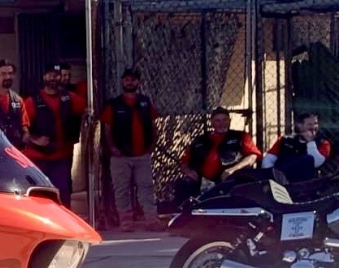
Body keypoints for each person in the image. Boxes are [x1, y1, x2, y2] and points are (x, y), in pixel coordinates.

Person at [100, 67, 162, 231]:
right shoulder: (114, 105)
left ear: (138, 82)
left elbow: (154, 125)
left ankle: (151, 219)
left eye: (133, 79)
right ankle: (126, 221)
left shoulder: (145, 102)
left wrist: (152, 146)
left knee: (146, 187)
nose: (130, 82)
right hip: (120, 156)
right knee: (122, 189)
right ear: (122, 81)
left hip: (142, 155)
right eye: (127, 79)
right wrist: (112, 148)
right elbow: (106, 129)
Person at [22, 62, 87, 206]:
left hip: (61, 157)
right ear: (44, 77)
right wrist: (36, 140)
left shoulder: (69, 98)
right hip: (38, 158)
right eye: (50, 74)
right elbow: (22, 132)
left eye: (57, 75)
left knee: (63, 193)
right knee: (39, 196)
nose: (53, 78)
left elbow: (87, 109)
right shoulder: (32, 102)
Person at [173, 107, 261, 207]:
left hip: (229, 177)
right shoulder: (200, 140)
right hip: (202, 180)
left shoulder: (240, 136)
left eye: (224, 120)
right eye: (217, 120)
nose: (221, 123)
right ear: (212, 123)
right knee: (183, 183)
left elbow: (253, 156)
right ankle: (182, 214)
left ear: (229, 121)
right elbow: (184, 162)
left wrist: (233, 169)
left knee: (234, 184)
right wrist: (188, 171)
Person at [263, 111, 331, 183]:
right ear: (299, 125)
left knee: (309, 159)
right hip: (279, 180)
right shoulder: (285, 140)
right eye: (310, 124)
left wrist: (310, 141)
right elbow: (268, 160)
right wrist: (271, 175)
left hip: (304, 183)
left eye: (315, 123)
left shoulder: (323, 143)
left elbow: (317, 162)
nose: (313, 127)